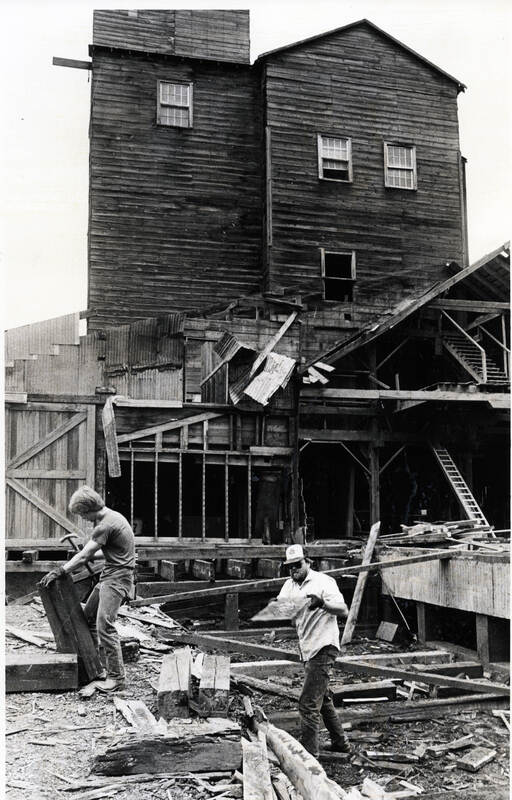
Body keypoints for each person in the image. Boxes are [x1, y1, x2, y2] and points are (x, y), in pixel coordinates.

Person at [40, 486, 136, 692]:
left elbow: (84, 556)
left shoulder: (104, 526)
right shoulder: (114, 516)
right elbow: (111, 552)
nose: (83, 518)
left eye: (82, 514)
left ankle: (117, 678)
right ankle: (96, 668)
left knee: (105, 625)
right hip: (111, 575)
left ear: (88, 509)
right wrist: (87, 555)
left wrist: (62, 570)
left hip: (117, 579)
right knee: (88, 619)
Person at [274, 543, 351, 758]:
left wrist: (322, 604)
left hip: (324, 646)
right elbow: (284, 611)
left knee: (308, 704)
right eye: (289, 566)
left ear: (308, 562)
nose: (293, 570)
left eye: (297, 565)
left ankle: (309, 758)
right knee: (322, 698)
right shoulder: (289, 586)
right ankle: (341, 743)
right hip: (307, 647)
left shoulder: (324, 582)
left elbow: (343, 610)